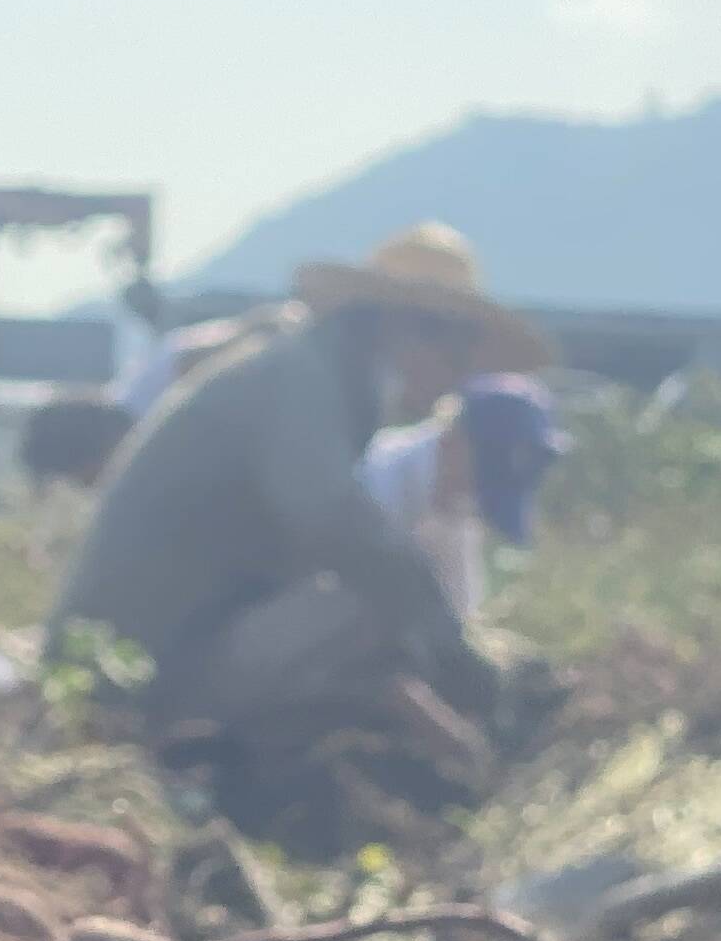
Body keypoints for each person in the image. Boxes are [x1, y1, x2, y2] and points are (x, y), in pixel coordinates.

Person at [50, 224, 548, 765]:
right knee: (375, 602)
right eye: (457, 349)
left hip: (160, 650)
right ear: (405, 329)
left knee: (377, 615)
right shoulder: (302, 382)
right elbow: (337, 524)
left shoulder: (321, 383)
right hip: (136, 671)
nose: (460, 372)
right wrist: (454, 654)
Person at [360, 371, 571, 624]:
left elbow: (460, 619)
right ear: (454, 440)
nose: (471, 506)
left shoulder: (452, 505)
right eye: (478, 483)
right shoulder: (369, 480)